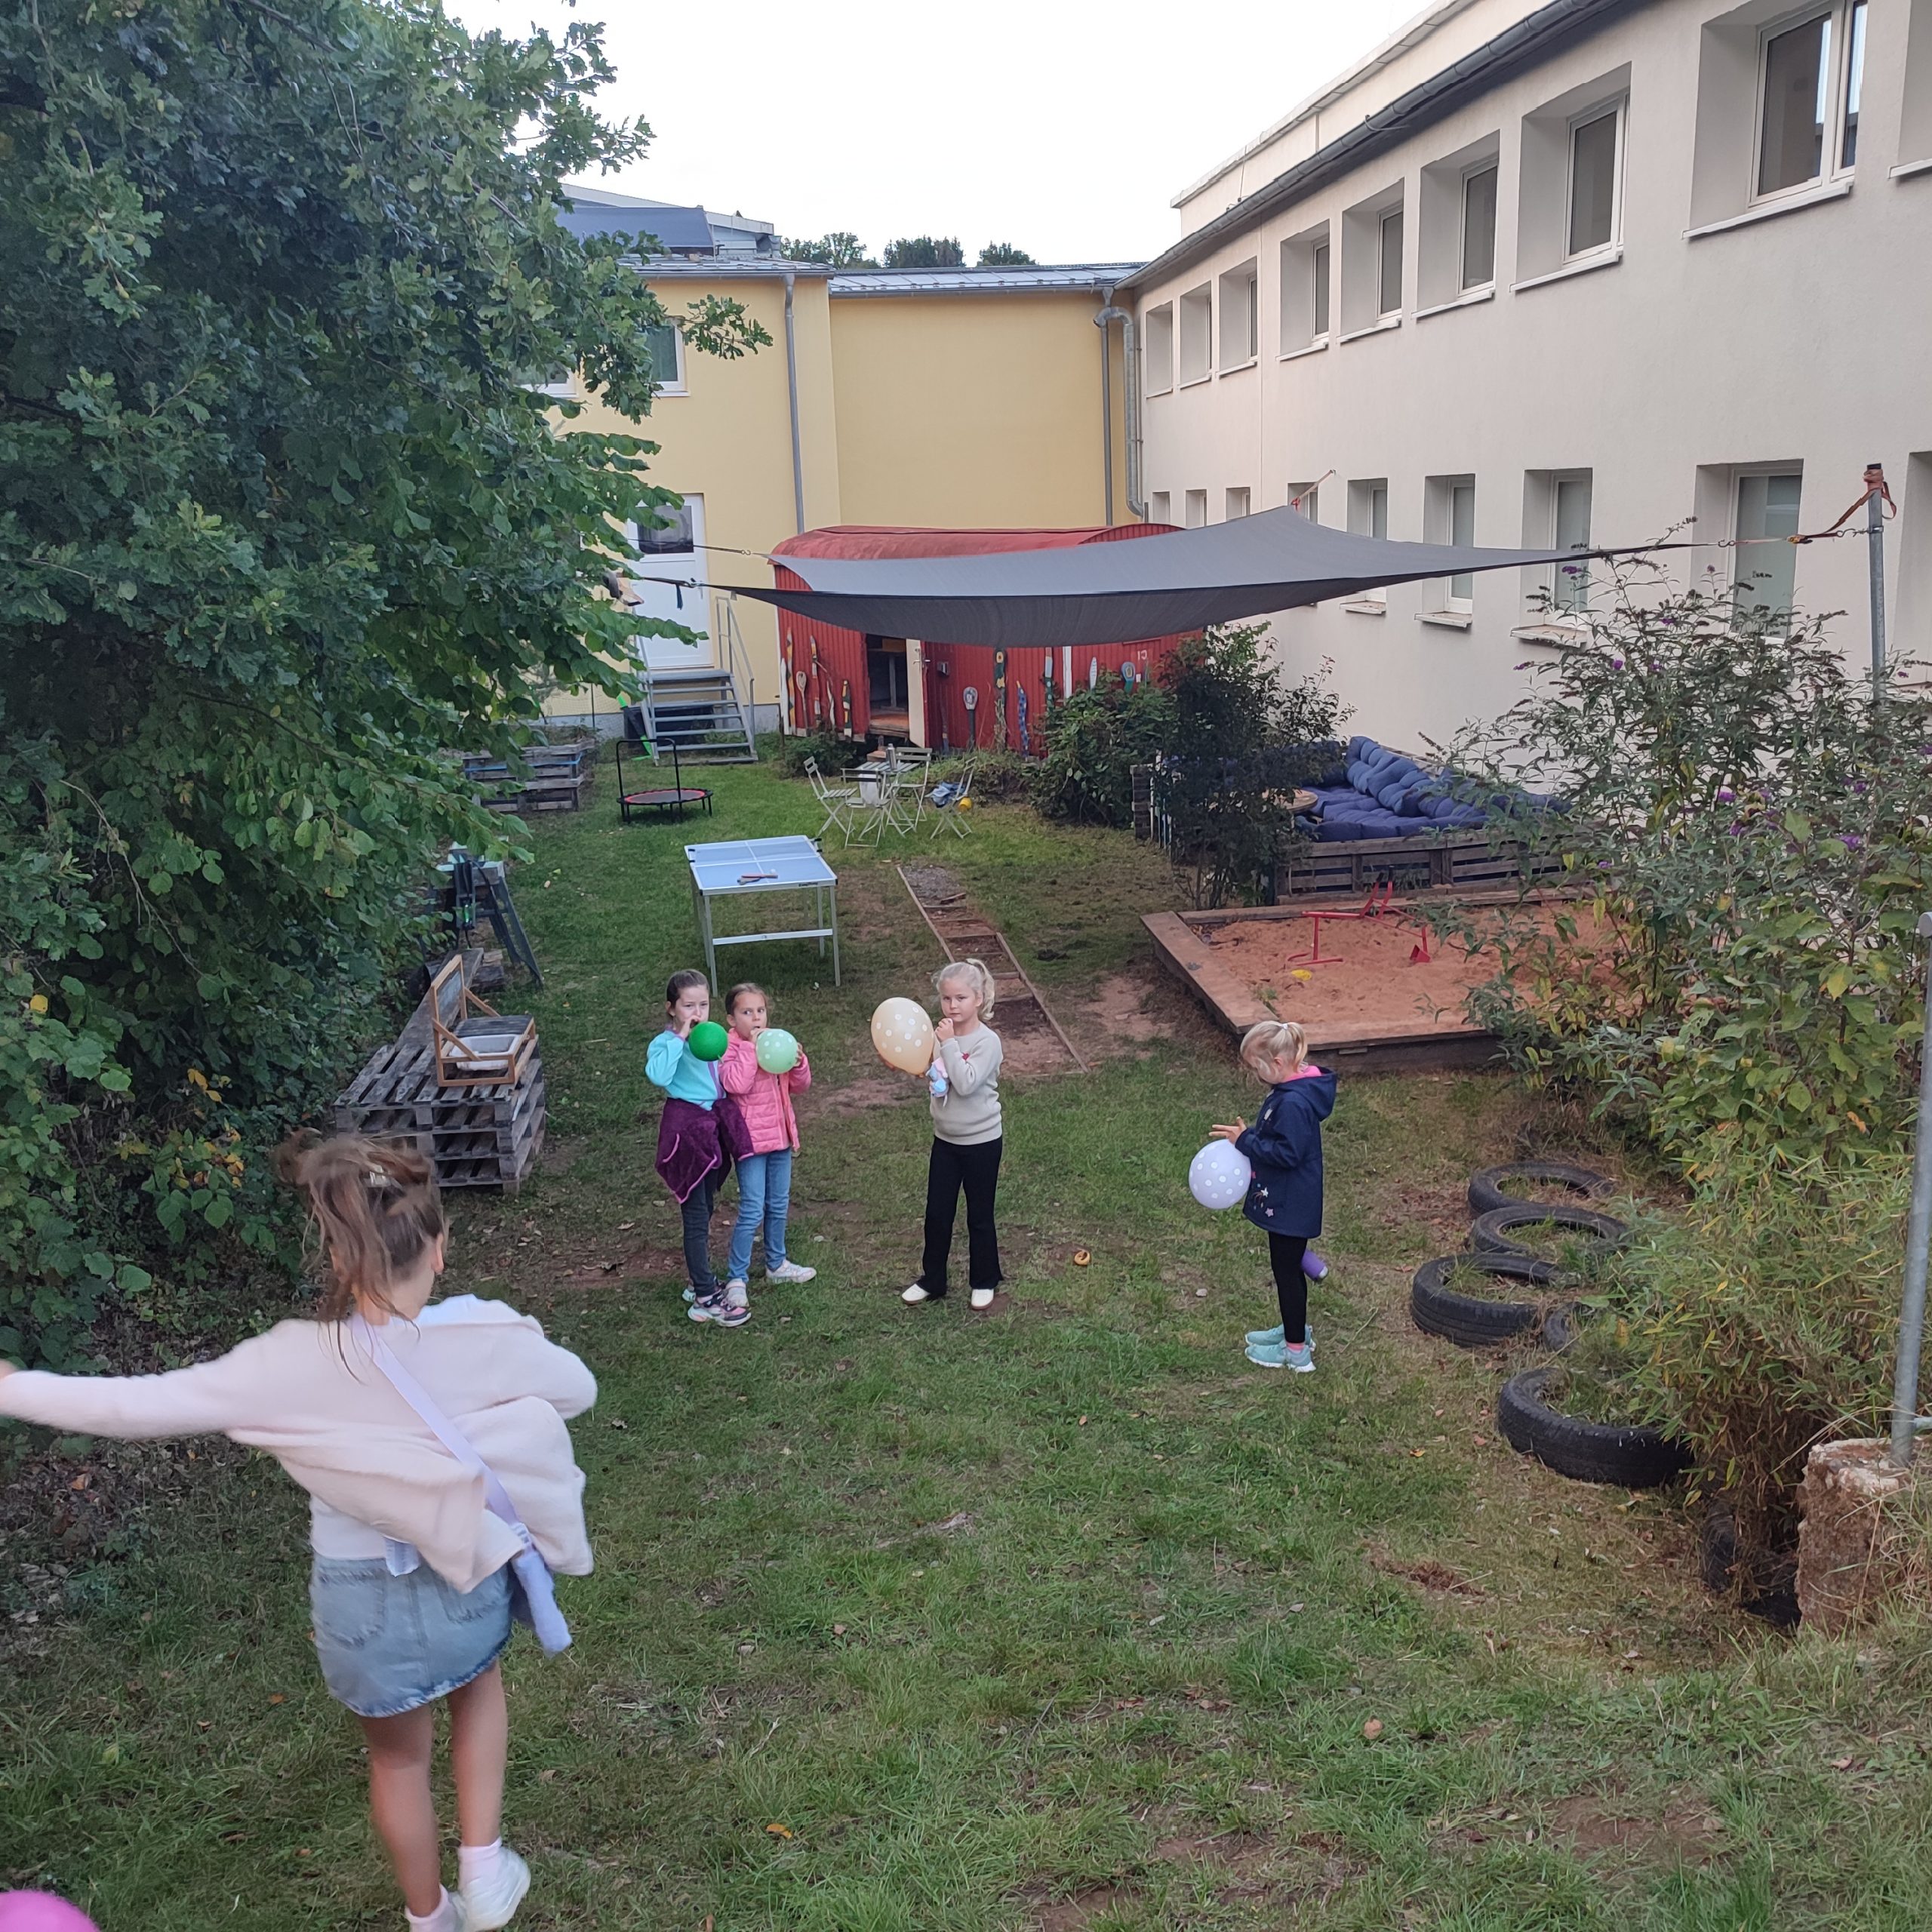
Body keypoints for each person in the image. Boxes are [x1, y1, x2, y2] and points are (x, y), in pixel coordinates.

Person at [0, 1136, 597, 1932]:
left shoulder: (284, 1361)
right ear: (439, 1247)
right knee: (479, 1686)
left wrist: (16, 1388)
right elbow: (577, 1390)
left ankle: (430, 1918)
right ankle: (484, 1865)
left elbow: (141, 1404)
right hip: (466, 1564)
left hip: (359, 1603)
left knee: (397, 1759)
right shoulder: (482, 1330)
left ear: (340, 1256)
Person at [1210, 1018, 1337, 1372]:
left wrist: (1246, 1142)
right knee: (1289, 1267)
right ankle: (1294, 1330)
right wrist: (1249, 1136)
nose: (1256, 1075)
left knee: (1287, 1273)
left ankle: (1296, 1353)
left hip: (1291, 1204)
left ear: (1278, 1063)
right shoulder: (1293, 1091)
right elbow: (1282, 1139)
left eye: (1257, 1068)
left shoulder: (1294, 1103)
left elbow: (1287, 1154)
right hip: (1289, 1200)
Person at [900, 958, 1006, 1312]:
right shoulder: (940, 1037)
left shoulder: (987, 1042)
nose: (952, 1006)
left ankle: (984, 1280)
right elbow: (937, 1076)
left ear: (979, 999)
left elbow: (966, 1082)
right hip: (945, 1140)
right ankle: (933, 1280)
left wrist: (947, 1045)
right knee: (937, 1213)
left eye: (961, 998)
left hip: (982, 1142)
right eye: (947, 999)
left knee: (980, 1215)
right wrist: (916, 1066)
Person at [646, 969, 749, 1328]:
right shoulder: (666, 1043)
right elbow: (659, 1076)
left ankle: (698, 1279)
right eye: (688, 1006)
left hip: (711, 1129)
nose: (697, 1013)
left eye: (703, 1005)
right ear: (671, 1008)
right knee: (694, 1215)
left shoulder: (711, 1038)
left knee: (705, 1207)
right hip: (687, 1133)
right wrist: (679, 1039)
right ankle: (705, 1297)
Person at [717, 983, 816, 1298]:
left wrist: (799, 1062)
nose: (756, 1018)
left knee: (779, 1204)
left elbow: (799, 1086)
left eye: (760, 1011)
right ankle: (737, 1277)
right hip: (750, 1144)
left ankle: (777, 1264)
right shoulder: (730, 1048)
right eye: (747, 1012)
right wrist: (751, 1049)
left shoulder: (776, 1042)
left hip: (780, 1138)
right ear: (732, 1019)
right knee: (752, 1208)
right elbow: (736, 1084)